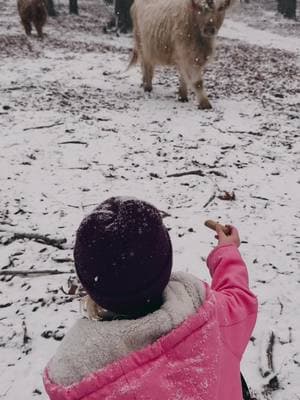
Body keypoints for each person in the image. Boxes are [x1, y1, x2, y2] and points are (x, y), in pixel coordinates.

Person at [43, 196, 258, 400]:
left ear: (88, 284)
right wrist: (228, 251)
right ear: (166, 264)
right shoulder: (212, 317)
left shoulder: (80, 385)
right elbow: (238, 296)